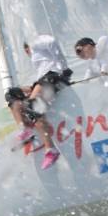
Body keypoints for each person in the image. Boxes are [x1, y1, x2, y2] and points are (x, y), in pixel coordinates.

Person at [5, 34, 72, 170]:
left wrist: (64, 69)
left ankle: (50, 149)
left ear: (27, 47)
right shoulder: (39, 63)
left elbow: (52, 41)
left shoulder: (34, 43)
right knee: (11, 94)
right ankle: (25, 128)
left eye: (26, 50)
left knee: (33, 106)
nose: (27, 53)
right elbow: (40, 81)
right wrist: (28, 89)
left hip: (54, 76)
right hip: (44, 80)